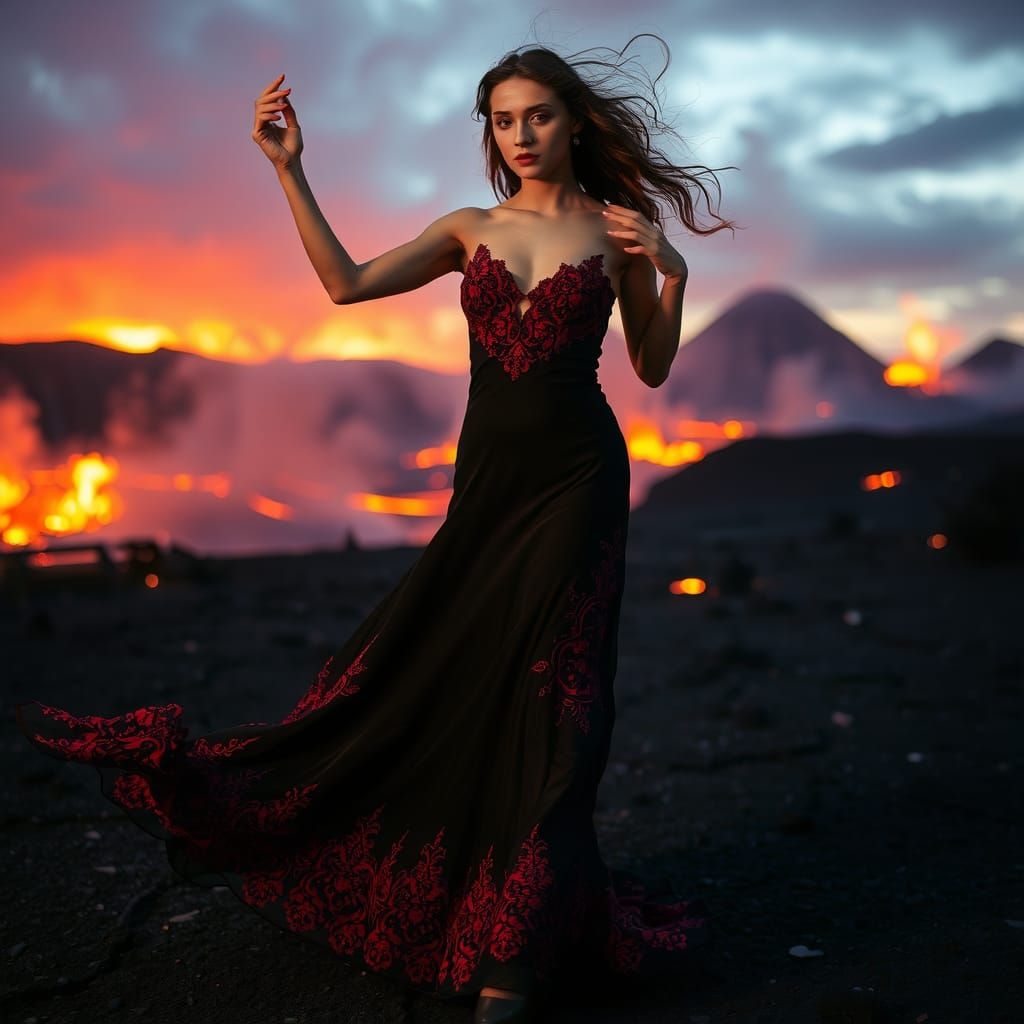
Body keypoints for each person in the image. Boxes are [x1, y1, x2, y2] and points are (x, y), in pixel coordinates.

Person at [15, 36, 736, 1024]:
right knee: (438, 669)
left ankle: (514, 953)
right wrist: (290, 169)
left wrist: (674, 274)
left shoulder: (618, 229)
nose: (520, 135)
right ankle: (456, 876)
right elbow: (346, 284)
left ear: (574, 121)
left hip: (578, 483)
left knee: (565, 703)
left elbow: (649, 366)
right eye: (503, 120)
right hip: (488, 489)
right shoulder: (468, 228)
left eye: (537, 115)